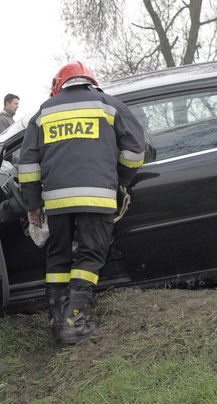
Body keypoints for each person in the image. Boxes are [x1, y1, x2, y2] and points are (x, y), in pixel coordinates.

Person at [18, 62, 145, 345]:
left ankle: (56, 319)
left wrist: (33, 204)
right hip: (97, 197)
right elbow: (136, 151)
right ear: (91, 82)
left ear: (59, 85)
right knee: (90, 255)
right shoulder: (109, 106)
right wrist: (120, 179)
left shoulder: (43, 113)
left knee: (58, 255)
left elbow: (26, 164)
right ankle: (74, 320)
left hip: (57, 202)